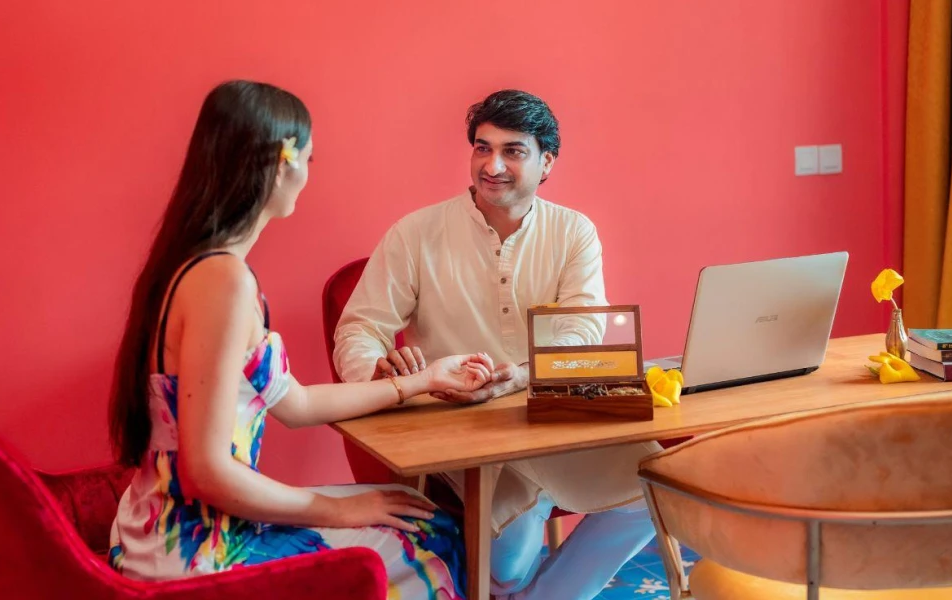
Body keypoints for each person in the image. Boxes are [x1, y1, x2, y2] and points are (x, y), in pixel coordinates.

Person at [107, 80, 496, 599]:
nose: (309, 175)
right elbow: (206, 472)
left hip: (172, 523)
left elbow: (297, 402)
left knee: (416, 511)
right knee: (430, 536)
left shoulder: (202, 270)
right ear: (278, 164)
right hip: (198, 550)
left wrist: (423, 381)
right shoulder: (221, 282)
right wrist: (338, 509)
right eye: (310, 159)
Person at [333, 90, 660, 600]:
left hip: (551, 405)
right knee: (509, 558)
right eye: (482, 148)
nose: (493, 165)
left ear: (547, 160)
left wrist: (525, 373)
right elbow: (358, 328)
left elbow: (583, 332)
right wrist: (384, 374)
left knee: (656, 485)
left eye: (513, 151)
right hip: (455, 420)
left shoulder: (573, 232)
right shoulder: (417, 233)